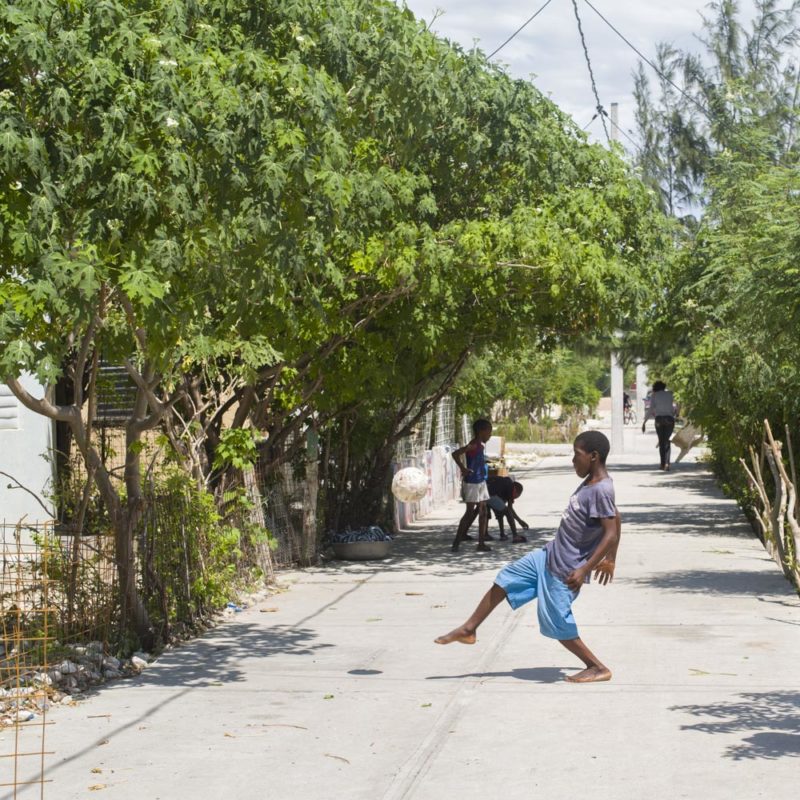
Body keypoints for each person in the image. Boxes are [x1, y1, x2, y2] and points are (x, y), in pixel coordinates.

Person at [435, 431, 622, 684]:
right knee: (506, 578)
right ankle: (469, 629)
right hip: (548, 556)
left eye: (576, 455)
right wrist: (608, 558)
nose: (572, 460)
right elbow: (615, 515)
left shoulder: (601, 488)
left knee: (557, 622)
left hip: (565, 570)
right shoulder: (591, 482)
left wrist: (591, 566)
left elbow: (610, 531)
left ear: (593, 456)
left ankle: (597, 667)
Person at [450, 418, 493, 552]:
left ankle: (480, 543)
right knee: (469, 513)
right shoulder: (473, 444)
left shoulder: (480, 445)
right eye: (489, 432)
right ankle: (456, 542)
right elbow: (455, 454)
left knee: (483, 511)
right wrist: (463, 468)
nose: (490, 435)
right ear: (481, 431)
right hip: (473, 482)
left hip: (480, 481)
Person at [641, 380, 677, 471]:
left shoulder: (654, 395)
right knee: (667, 441)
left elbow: (650, 409)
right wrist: (676, 413)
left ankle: (662, 464)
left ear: (655, 387)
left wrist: (644, 422)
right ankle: (667, 464)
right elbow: (678, 404)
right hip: (669, 419)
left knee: (661, 442)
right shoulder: (670, 394)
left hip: (659, 420)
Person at [486, 476, 529, 543]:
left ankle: (500, 535)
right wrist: (520, 521)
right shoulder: (510, 488)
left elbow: (500, 512)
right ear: (515, 491)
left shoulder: (505, 485)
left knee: (500, 511)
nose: (514, 499)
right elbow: (510, 509)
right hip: (489, 494)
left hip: (484, 491)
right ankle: (515, 536)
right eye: (516, 496)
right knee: (507, 512)